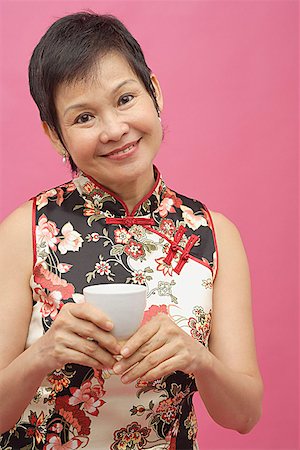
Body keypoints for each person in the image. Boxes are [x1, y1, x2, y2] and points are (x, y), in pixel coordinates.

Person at [0, 12, 263, 450]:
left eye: (124, 100)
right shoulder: (24, 231)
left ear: (154, 92)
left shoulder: (215, 235)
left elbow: (244, 415)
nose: (115, 130)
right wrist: (42, 354)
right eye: (84, 117)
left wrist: (198, 359)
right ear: (54, 134)